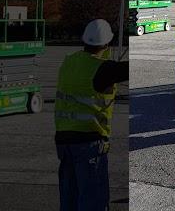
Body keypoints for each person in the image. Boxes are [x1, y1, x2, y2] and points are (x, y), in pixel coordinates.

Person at [54, 19, 129, 211]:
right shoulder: (103, 69)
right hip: (89, 143)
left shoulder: (69, 62)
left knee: (69, 199)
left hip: (64, 141)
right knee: (92, 201)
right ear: (106, 44)